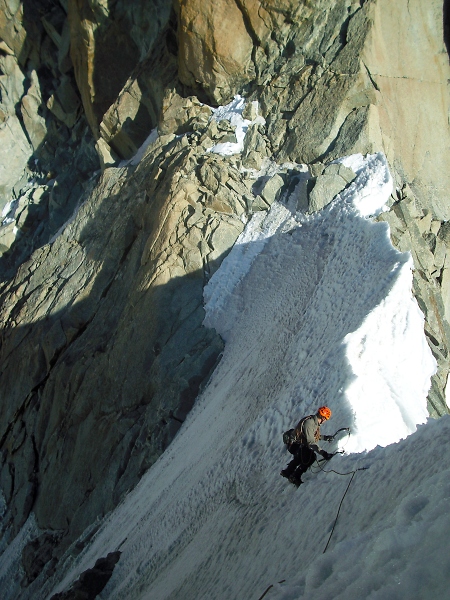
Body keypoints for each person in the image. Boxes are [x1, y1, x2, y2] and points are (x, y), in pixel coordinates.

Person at [281, 406, 334, 487]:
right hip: (294, 444)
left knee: (302, 455)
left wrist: (325, 438)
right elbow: (311, 442)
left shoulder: (313, 421)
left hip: (294, 444)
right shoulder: (310, 424)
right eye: (326, 419)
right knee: (310, 457)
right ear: (323, 418)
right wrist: (324, 453)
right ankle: (295, 476)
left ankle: (288, 471)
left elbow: (311, 436)